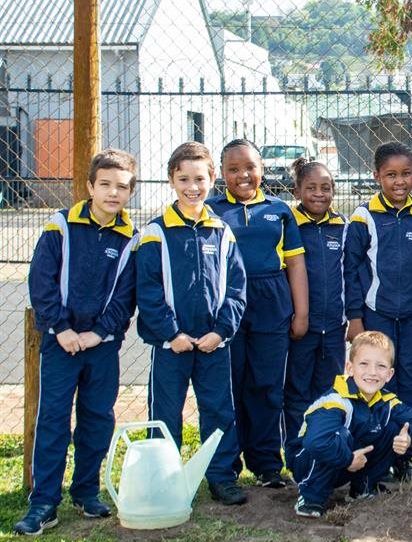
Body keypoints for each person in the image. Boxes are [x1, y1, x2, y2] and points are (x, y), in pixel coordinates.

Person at [16, 149, 139, 535]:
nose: (112, 193)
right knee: (53, 419)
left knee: (97, 418)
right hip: (62, 343)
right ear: (89, 186)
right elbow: (42, 281)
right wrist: (61, 328)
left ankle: (86, 491)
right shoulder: (60, 226)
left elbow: (126, 296)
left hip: (101, 345)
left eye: (121, 187)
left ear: (130, 192)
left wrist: (99, 332)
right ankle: (44, 503)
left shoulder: (131, 238)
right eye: (105, 185)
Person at [135, 142, 247, 506]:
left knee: (218, 410)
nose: (192, 186)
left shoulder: (222, 232)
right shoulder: (155, 233)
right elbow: (147, 291)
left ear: (212, 180)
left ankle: (220, 477)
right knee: (166, 412)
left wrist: (221, 331)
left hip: (213, 344)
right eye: (184, 178)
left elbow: (236, 287)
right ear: (171, 180)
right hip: (173, 346)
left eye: (200, 178)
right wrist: (171, 334)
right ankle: (164, 478)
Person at [208, 139, 308, 488]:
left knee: (267, 386)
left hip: (271, 302)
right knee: (230, 386)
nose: (242, 175)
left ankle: (266, 463)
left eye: (249, 167)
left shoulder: (279, 211)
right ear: (221, 174)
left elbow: (295, 262)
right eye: (233, 169)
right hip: (227, 304)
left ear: (261, 169)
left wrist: (301, 312)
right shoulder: (211, 210)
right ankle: (227, 465)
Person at [344, 141, 412, 482]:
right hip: (377, 315)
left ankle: (407, 455)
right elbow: (350, 269)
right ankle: (378, 452)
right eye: (391, 175)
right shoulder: (364, 217)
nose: (399, 182)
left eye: (406, 174)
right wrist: (355, 317)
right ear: (376, 176)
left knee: (411, 384)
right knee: (375, 382)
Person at [289, 332, 412, 517]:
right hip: (307, 463)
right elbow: (316, 442)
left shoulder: (386, 401)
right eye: (364, 364)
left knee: (392, 429)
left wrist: (409, 439)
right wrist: (348, 459)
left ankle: (362, 488)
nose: (372, 372)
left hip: (350, 462)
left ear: (390, 374)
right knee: (338, 435)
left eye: (381, 366)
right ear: (350, 368)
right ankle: (310, 496)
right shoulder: (334, 401)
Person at [282, 157, 348, 469]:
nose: (319, 194)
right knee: (296, 393)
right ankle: (296, 455)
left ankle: (322, 453)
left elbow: (350, 275)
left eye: (326, 187)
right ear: (296, 191)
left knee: (328, 393)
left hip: (334, 327)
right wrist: (297, 315)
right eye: (311, 188)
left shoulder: (342, 227)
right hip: (300, 328)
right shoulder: (289, 224)